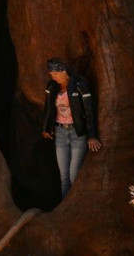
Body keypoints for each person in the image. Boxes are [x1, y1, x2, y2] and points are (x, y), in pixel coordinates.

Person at [42, 57, 102, 197]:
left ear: (64, 71)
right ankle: (65, 209)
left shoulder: (79, 85)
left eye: (55, 73)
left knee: (74, 174)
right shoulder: (51, 87)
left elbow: (89, 111)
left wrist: (92, 136)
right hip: (60, 133)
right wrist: (46, 128)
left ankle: (79, 205)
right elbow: (48, 109)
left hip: (78, 134)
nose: (53, 77)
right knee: (64, 177)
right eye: (51, 74)